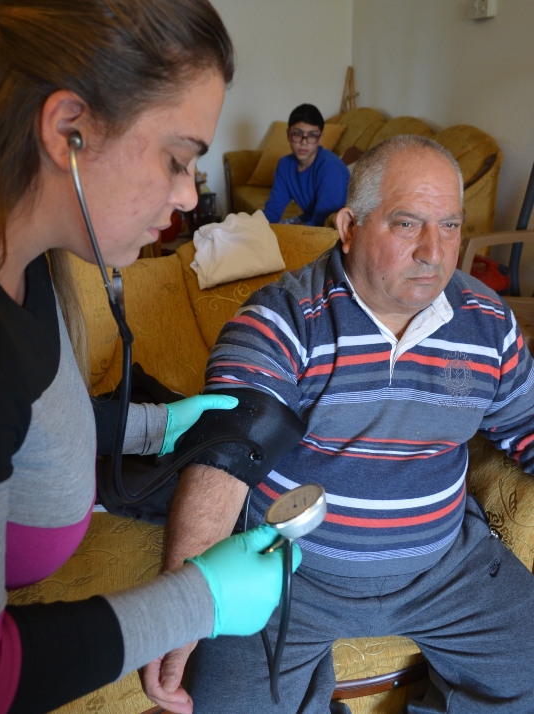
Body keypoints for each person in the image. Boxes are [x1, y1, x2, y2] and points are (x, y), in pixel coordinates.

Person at [0, 2, 302, 713]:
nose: (189, 195)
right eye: (177, 159)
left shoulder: (25, 261)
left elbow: (31, 419)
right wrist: (199, 600)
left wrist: (151, 428)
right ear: (67, 129)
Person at [142, 134, 534, 714]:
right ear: (349, 227)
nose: (434, 252)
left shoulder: (488, 324)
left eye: (450, 225)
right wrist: (182, 605)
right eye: (407, 224)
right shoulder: (282, 318)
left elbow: (527, 425)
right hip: (289, 571)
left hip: (445, 568)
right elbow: (224, 456)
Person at [262, 104, 350, 227]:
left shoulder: (331, 168)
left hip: (337, 228)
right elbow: (272, 211)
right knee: (262, 230)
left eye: (312, 135)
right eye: (297, 133)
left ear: (320, 138)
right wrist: (257, 227)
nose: (304, 142)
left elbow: (323, 223)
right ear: (288, 135)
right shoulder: (285, 165)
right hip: (310, 220)